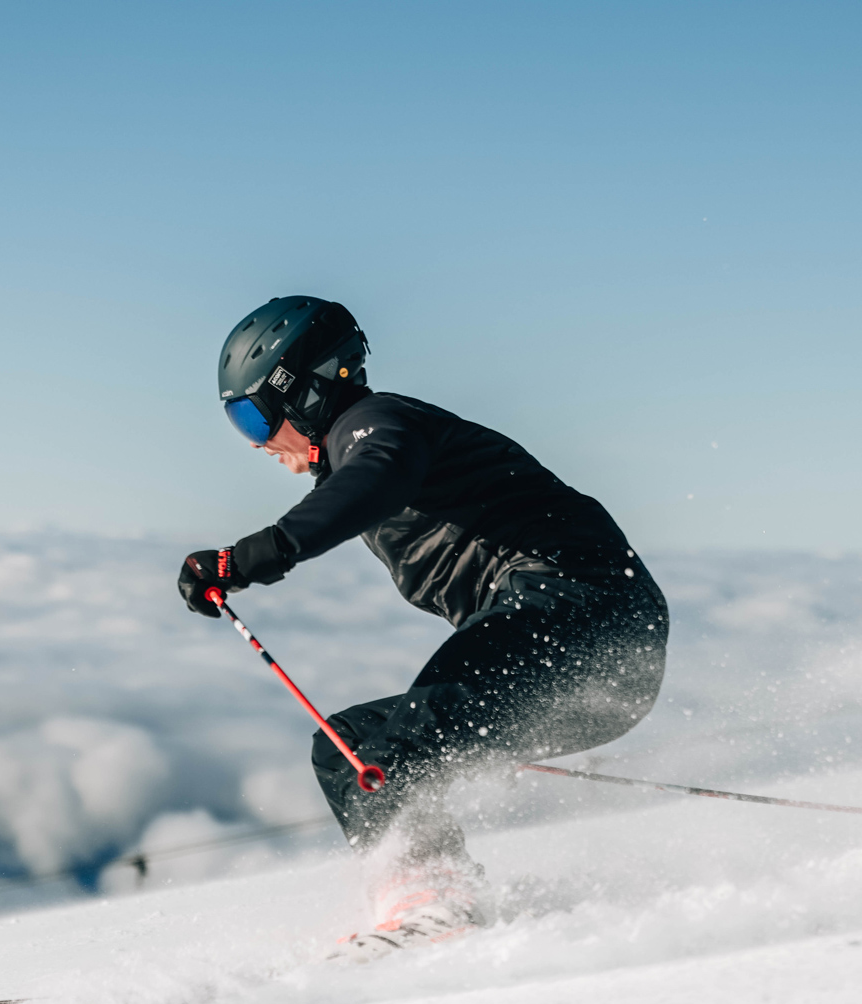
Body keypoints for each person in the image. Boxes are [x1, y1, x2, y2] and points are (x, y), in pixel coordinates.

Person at [179, 296, 668, 957]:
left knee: (388, 750)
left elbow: (374, 477)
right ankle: (426, 900)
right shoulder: (369, 446)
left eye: (253, 415)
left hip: (580, 619)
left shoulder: (378, 425)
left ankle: (438, 906)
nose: (257, 442)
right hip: (589, 667)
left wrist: (252, 557)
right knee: (352, 749)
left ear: (306, 391)